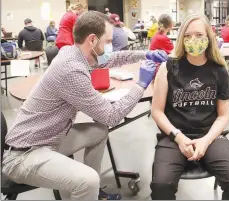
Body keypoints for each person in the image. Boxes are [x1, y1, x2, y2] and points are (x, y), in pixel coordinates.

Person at [2, 11, 168, 201]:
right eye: (107, 42)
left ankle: (93, 194)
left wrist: (146, 53)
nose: (109, 47)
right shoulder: (71, 70)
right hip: (24, 156)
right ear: (91, 40)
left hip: (49, 138)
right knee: (87, 180)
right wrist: (141, 85)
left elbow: (113, 58)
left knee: (99, 131)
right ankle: (91, 188)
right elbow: (111, 116)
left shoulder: (73, 52)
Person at [150, 14, 229, 200]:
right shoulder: (169, 67)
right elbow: (157, 111)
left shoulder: (219, 70)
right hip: (173, 136)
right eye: (187, 36)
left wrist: (206, 140)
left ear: (208, 38)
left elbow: (223, 116)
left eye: (198, 35)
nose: (192, 40)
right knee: (161, 185)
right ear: (181, 38)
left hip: (210, 135)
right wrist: (178, 137)